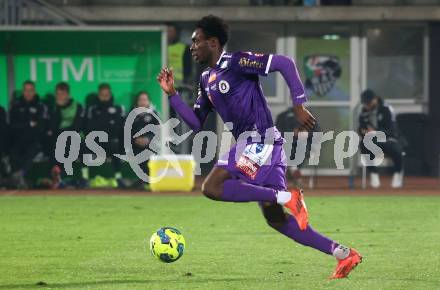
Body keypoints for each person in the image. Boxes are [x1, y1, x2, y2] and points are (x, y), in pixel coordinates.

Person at [158, 15, 361, 279]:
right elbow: (196, 122)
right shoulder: (206, 78)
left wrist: (299, 104)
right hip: (264, 146)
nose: (192, 47)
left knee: (212, 187)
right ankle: (344, 254)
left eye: (196, 41)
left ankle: (288, 197)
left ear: (213, 42)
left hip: (260, 141)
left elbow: (284, 63)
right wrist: (173, 95)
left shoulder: (237, 61)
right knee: (276, 220)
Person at [358, 89, 403, 188]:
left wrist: (376, 132)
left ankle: (397, 173)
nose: (367, 106)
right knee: (363, 144)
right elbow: (361, 128)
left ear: (375, 99)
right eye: (366, 103)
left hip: (388, 139)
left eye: (369, 103)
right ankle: (373, 174)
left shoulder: (386, 109)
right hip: (373, 141)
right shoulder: (363, 111)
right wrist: (363, 131)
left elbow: (391, 130)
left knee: (395, 148)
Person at [9, 80, 48, 188]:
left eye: (31, 90)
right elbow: (12, 126)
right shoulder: (15, 106)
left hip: (34, 141)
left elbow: (41, 127)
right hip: (18, 140)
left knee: (32, 150)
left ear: (34, 91)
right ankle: (18, 180)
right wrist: (29, 124)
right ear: (23, 91)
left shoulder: (41, 106)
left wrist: (24, 126)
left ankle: (20, 175)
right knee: (13, 153)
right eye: (26, 90)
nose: (28, 93)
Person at [85, 83, 125, 188]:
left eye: (106, 95)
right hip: (95, 141)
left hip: (112, 141)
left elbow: (119, 127)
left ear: (110, 95)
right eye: (102, 95)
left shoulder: (118, 108)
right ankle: (84, 179)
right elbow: (89, 127)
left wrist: (105, 127)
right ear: (98, 95)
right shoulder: (92, 109)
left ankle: (118, 178)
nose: (104, 97)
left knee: (116, 145)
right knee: (82, 146)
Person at [47, 82, 85, 189]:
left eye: (62, 94)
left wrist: (63, 132)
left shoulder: (77, 106)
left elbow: (77, 126)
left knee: (67, 140)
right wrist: (58, 108)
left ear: (68, 94)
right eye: (58, 94)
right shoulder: (53, 107)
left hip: (75, 137)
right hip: (58, 138)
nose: (60, 97)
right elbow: (52, 127)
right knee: (52, 141)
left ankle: (61, 175)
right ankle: (57, 174)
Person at [130, 91, 160, 187]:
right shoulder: (131, 114)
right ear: (137, 102)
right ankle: (142, 180)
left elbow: (160, 132)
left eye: (145, 100)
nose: (143, 102)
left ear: (149, 101)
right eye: (141, 100)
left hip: (152, 144)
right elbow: (126, 131)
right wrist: (135, 139)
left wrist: (149, 139)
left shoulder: (154, 114)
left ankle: (150, 180)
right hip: (135, 144)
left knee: (151, 151)